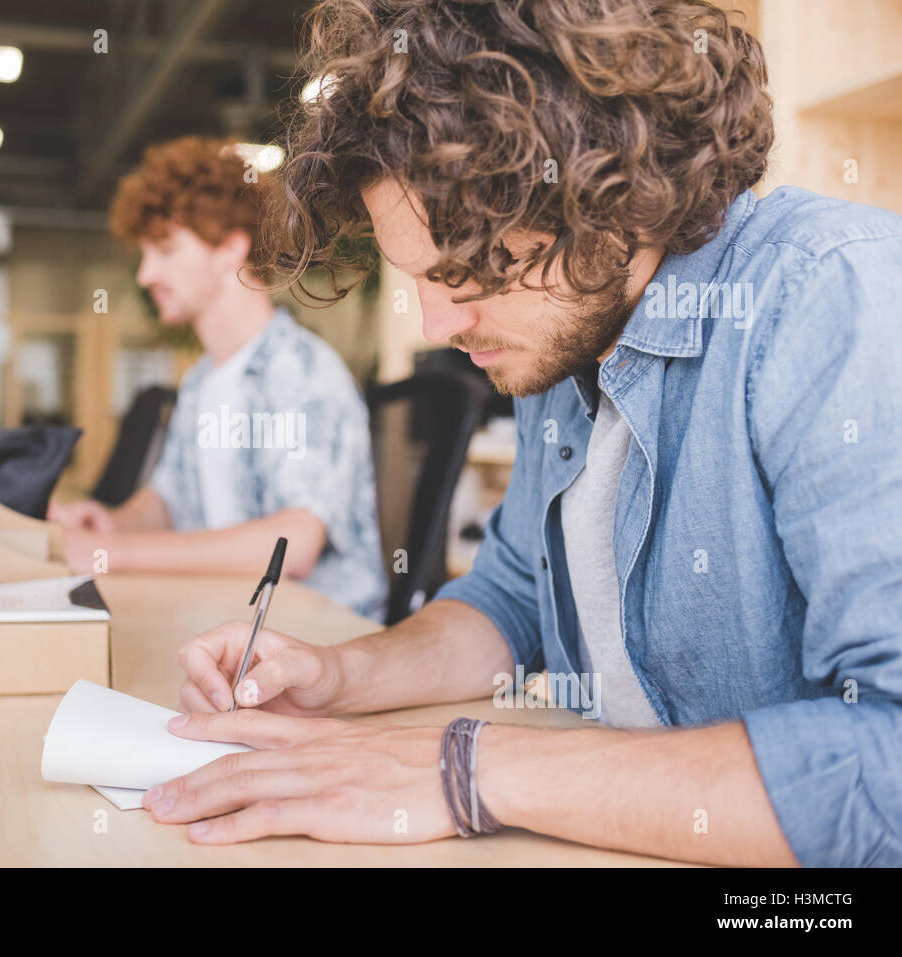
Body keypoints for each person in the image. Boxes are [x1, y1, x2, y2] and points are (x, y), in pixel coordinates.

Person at [146, 0, 902, 867]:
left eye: (469, 268)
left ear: (611, 184)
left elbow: (888, 768)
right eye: (420, 277)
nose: (435, 322)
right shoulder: (567, 333)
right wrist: (342, 677)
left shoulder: (836, 300)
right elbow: (508, 601)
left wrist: (467, 767)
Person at [49, 135, 387, 621]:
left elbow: (295, 543)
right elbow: (169, 499)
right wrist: (112, 526)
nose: (146, 275)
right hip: (228, 616)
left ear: (230, 249)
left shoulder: (301, 370)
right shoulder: (201, 381)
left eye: (163, 249)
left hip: (318, 630)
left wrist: (116, 555)